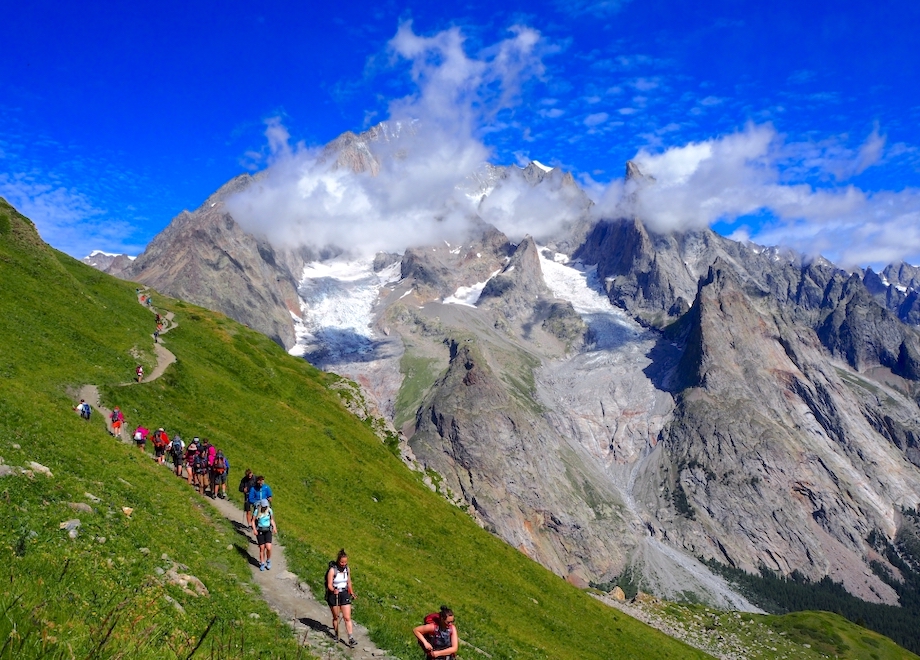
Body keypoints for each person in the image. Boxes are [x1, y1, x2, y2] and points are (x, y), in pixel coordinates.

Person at [326, 549, 357, 647]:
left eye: (345, 562)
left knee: (347, 617)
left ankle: (351, 638)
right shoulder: (332, 570)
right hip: (334, 594)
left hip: (344, 593)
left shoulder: (347, 569)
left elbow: (349, 582)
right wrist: (333, 590)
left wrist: (351, 592)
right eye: (342, 562)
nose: (343, 564)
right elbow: (329, 584)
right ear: (338, 561)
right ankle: (336, 634)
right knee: (336, 617)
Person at [250, 499, 277, 571]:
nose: (265, 507)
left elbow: (271, 520)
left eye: (266, 506)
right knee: (262, 548)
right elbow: (252, 521)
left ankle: (268, 560)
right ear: (261, 505)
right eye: (264, 506)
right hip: (260, 531)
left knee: (268, 547)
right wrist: (255, 529)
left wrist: (274, 527)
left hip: (268, 530)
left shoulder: (269, 511)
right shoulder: (257, 511)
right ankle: (262, 563)